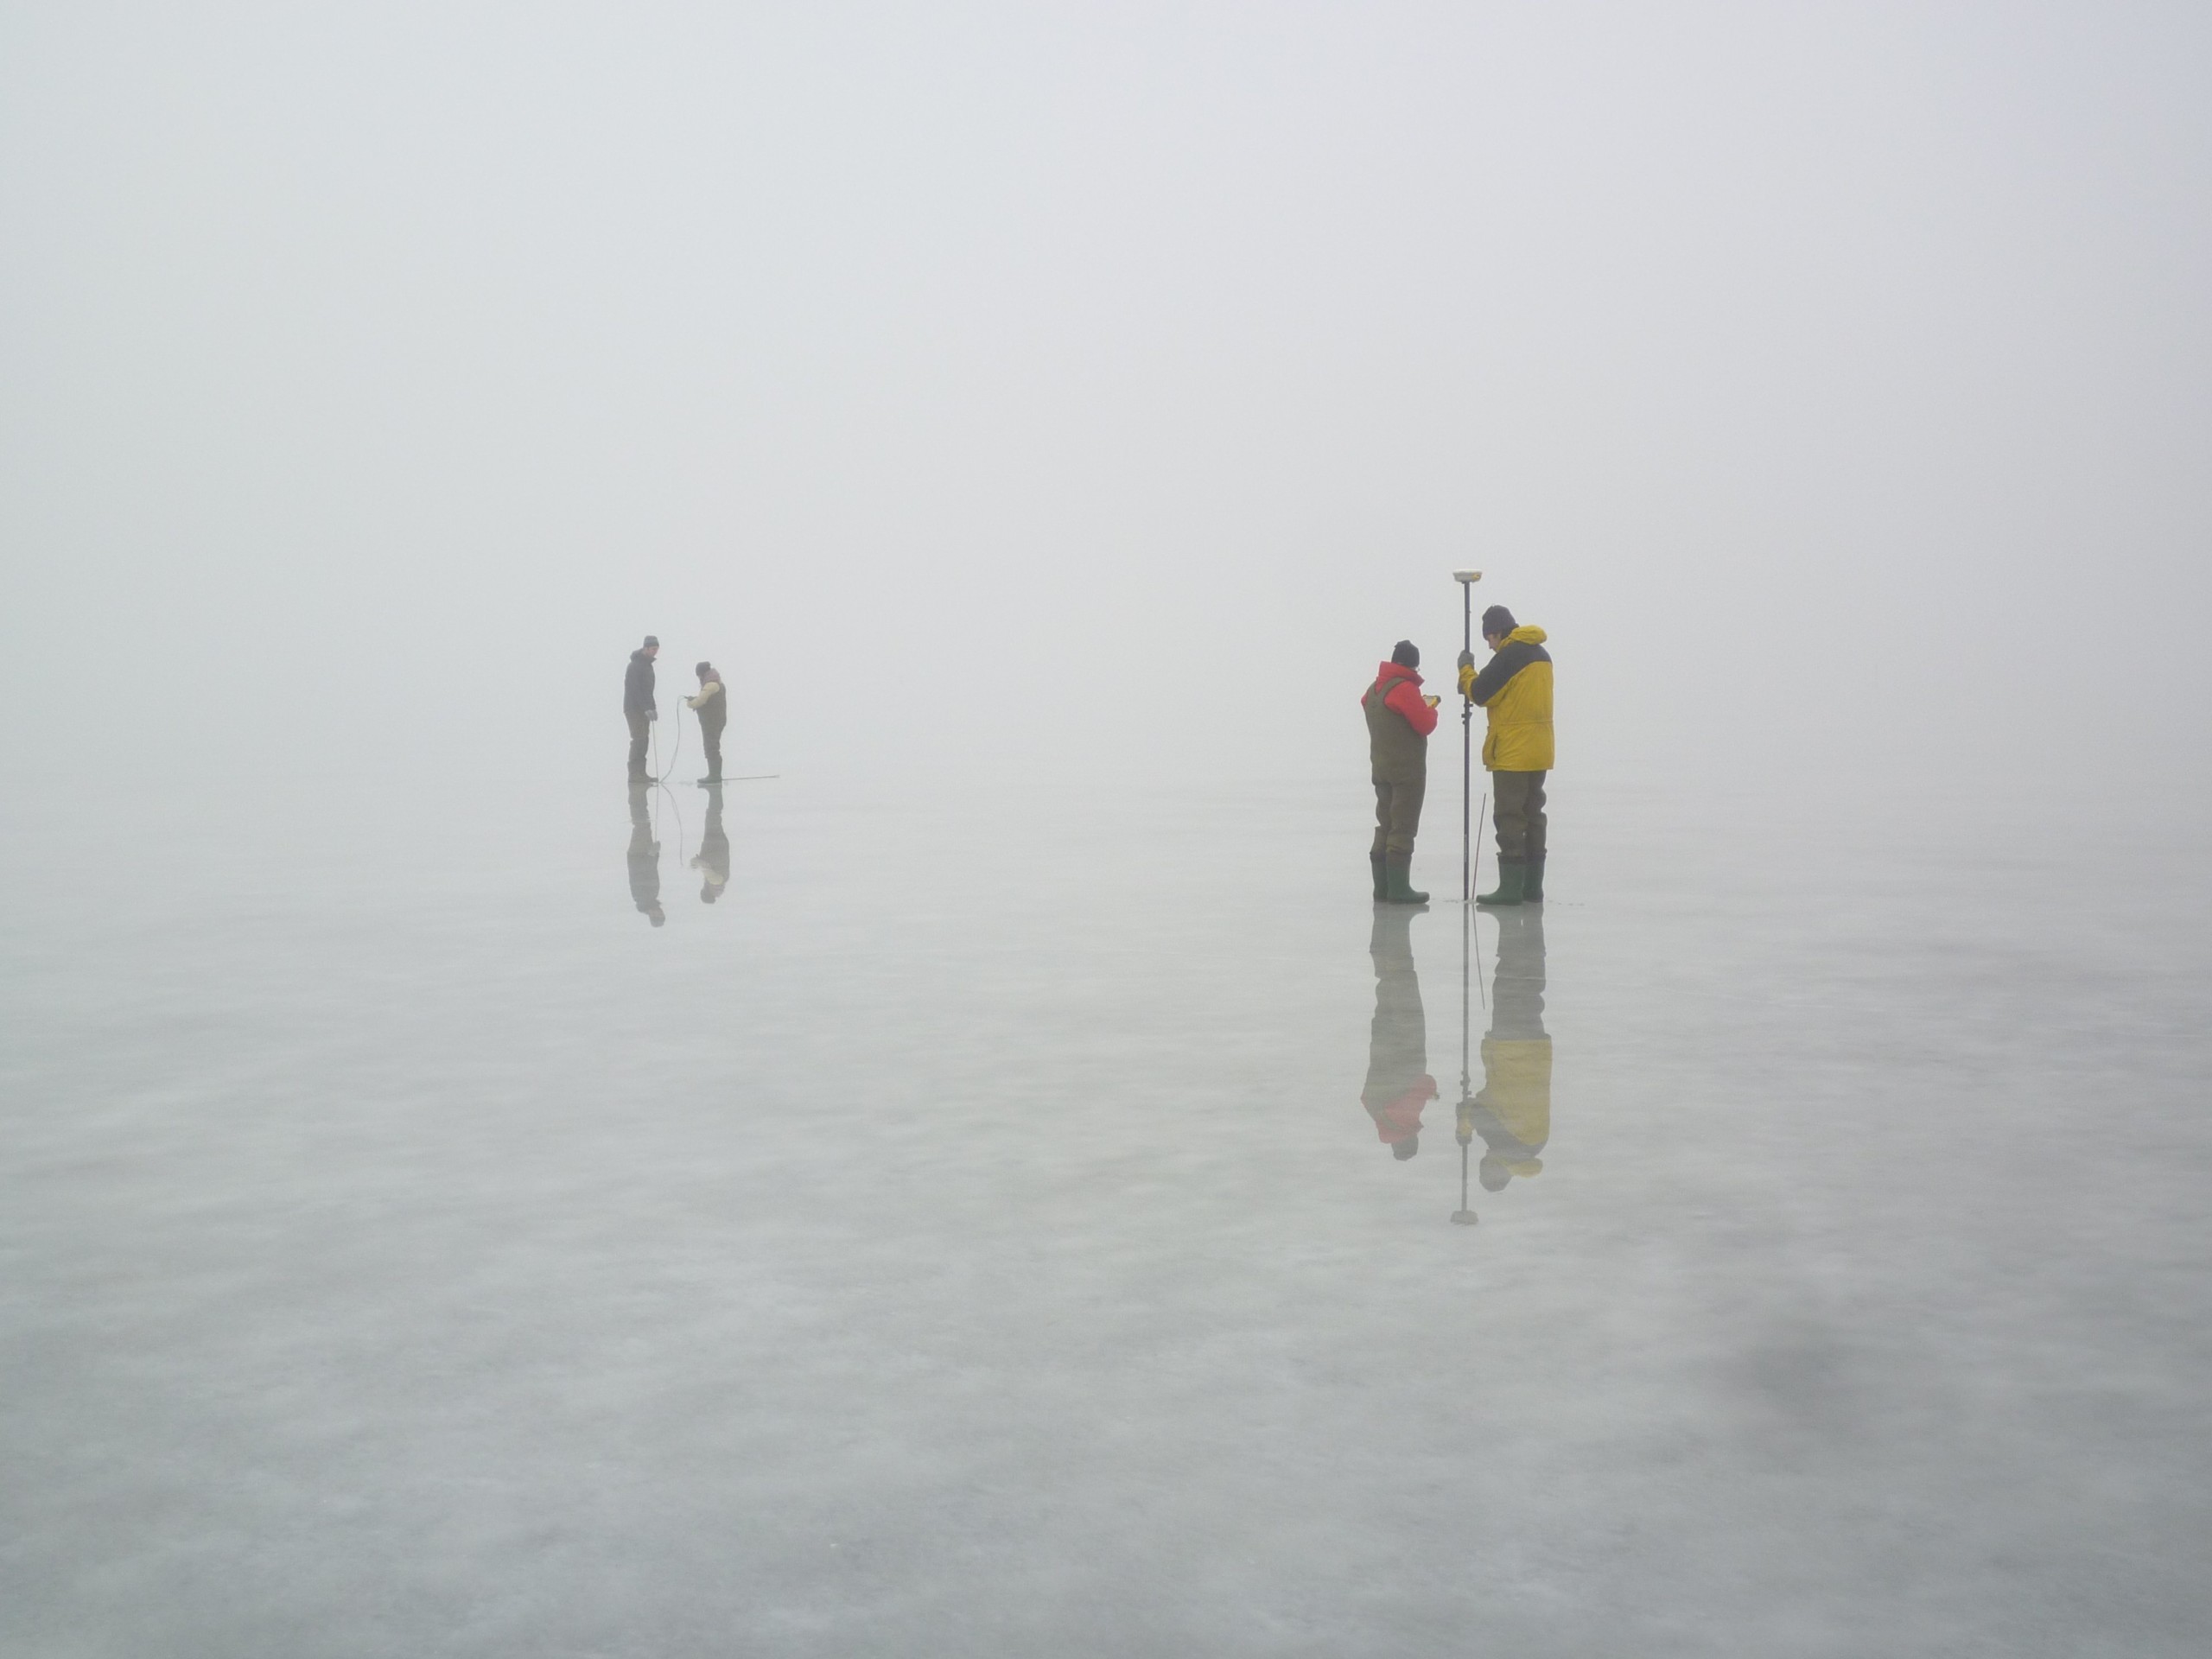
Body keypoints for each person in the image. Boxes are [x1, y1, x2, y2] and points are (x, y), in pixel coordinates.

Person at [1458, 606, 1553, 906]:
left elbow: (1482, 693)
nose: (1489, 645)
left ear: (1497, 633)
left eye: (1489, 638)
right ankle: (1532, 887)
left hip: (1513, 751)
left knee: (1510, 816)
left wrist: (1465, 670)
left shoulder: (1510, 656)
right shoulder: (1541, 654)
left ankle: (1510, 889)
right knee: (1534, 815)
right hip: (1540, 749)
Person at [1463, 906, 1549, 1190]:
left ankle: (1531, 910)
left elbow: (1493, 1106)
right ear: (1491, 1166)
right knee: (1508, 981)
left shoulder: (1537, 1142)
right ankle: (1510, 920)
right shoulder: (1504, 1145)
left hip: (1536, 1048)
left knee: (1532, 987)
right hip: (1511, 1048)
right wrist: (1464, 1126)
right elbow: (1475, 1112)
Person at [1363, 639, 1440, 904]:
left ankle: (1381, 888)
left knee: (1384, 824)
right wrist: (1430, 708)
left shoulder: (1374, 690)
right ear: (1412, 665)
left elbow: (1366, 703)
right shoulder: (1405, 689)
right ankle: (1399, 889)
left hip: (1381, 768)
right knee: (1403, 827)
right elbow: (1425, 724)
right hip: (1406, 772)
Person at [1361, 905, 1437, 1160]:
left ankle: (1395, 920)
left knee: (1402, 976)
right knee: (1385, 980)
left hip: (1409, 1036)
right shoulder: (1376, 1110)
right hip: (1381, 1038)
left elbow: (1427, 1082)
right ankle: (1383, 925)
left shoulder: (1408, 1115)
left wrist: (1432, 1094)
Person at [626, 781, 664, 926]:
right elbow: (653, 871)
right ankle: (638, 797)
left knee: (641, 825)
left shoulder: (643, 898)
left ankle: (637, 795)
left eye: (658, 915)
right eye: (662, 914)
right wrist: (655, 855)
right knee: (644, 825)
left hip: (638, 855)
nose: (660, 912)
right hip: (645, 854)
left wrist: (651, 854)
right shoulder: (651, 897)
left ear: (652, 916)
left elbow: (639, 872)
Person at [624, 635, 660, 784]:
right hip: (633, 708)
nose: (655, 652)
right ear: (645, 648)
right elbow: (635, 690)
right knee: (638, 739)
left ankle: (642, 773)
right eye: (652, 649)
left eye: (656, 649)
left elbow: (648, 691)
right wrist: (646, 708)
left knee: (644, 739)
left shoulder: (648, 666)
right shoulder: (634, 666)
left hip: (644, 708)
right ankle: (634, 774)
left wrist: (653, 708)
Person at [685, 661, 727, 786]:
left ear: (702, 674)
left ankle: (714, 775)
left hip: (712, 722)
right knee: (713, 746)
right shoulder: (717, 683)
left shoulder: (710, 685)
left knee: (711, 747)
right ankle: (715, 774)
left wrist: (690, 703)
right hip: (716, 721)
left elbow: (700, 701)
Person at [693, 781, 730, 903]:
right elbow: (705, 865)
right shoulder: (715, 881)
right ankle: (715, 791)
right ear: (706, 891)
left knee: (714, 816)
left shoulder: (721, 881)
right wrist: (695, 863)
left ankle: (714, 793)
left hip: (718, 845)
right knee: (713, 816)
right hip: (714, 845)